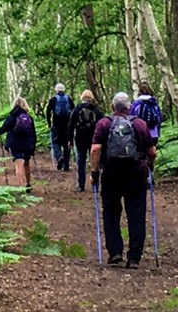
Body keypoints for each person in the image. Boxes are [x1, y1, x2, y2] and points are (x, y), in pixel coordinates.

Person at [90, 91, 157, 269]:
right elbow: (152, 152)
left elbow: (96, 149)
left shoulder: (104, 123)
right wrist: (150, 165)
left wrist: (94, 174)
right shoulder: (140, 124)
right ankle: (134, 257)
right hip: (136, 174)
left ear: (113, 107)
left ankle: (115, 253)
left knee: (111, 212)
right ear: (129, 107)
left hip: (111, 174)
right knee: (136, 214)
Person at [0, 97, 37, 193]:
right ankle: (28, 184)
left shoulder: (12, 116)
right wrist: (33, 145)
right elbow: (33, 132)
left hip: (15, 144)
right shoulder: (29, 117)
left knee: (19, 164)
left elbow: (3, 129)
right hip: (28, 144)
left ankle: (20, 186)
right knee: (26, 164)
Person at [68, 89, 104, 192]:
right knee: (95, 161)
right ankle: (95, 183)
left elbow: (71, 125)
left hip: (80, 137)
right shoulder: (96, 109)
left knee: (81, 160)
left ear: (82, 97)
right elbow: (102, 123)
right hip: (93, 138)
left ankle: (81, 184)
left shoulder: (77, 109)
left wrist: (70, 139)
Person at [46, 83, 75, 171]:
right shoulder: (69, 99)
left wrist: (49, 123)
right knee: (67, 144)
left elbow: (48, 111)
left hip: (56, 125)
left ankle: (59, 157)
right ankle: (66, 165)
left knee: (55, 143)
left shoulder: (53, 99)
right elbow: (74, 111)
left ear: (56, 90)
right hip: (67, 126)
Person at [129, 82, 163, 147]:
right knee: (152, 153)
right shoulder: (154, 103)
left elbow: (131, 118)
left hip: (139, 134)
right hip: (153, 134)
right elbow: (159, 119)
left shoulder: (136, 104)